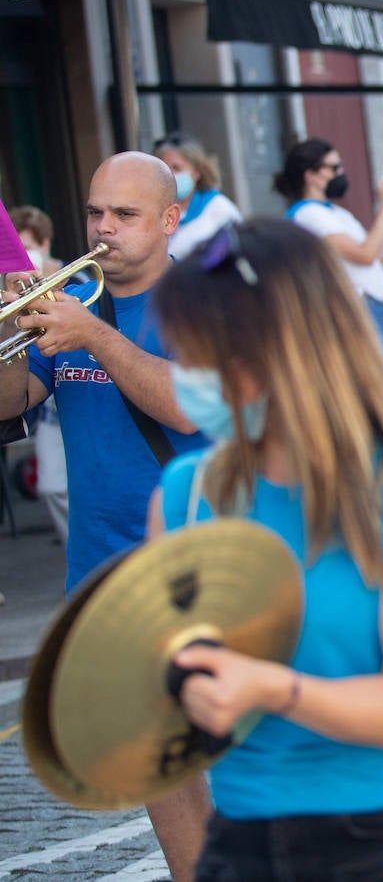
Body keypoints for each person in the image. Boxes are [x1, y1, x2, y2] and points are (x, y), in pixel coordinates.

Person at [148, 218, 383, 880]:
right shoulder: (184, 493)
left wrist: (270, 686)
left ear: (278, 352)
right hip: (239, 842)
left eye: (199, 355)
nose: (183, 377)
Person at [0, 152, 211, 879]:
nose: (103, 228)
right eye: (95, 212)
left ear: (169, 218)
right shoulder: (74, 299)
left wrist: (93, 336)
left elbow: (190, 405)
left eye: (124, 214)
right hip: (103, 569)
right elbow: (11, 401)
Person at [274, 138, 383, 368]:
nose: (341, 172)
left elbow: (379, 256)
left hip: (377, 310)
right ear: (311, 175)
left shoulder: (337, 213)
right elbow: (365, 255)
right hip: (358, 310)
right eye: (334, 168)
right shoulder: (308, 214)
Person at [9, 206, 69, 544]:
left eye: (28, 245)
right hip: (47, 408)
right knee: (50, 485)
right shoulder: (11, 286)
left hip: (77, 389)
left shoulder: (71, 278)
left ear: (44, 244)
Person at [152, 132, 243, 256]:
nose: (170, 174)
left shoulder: (219, 209)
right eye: (164, 168)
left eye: (177, 168)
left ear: (196, 173)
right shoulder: (151, 209)